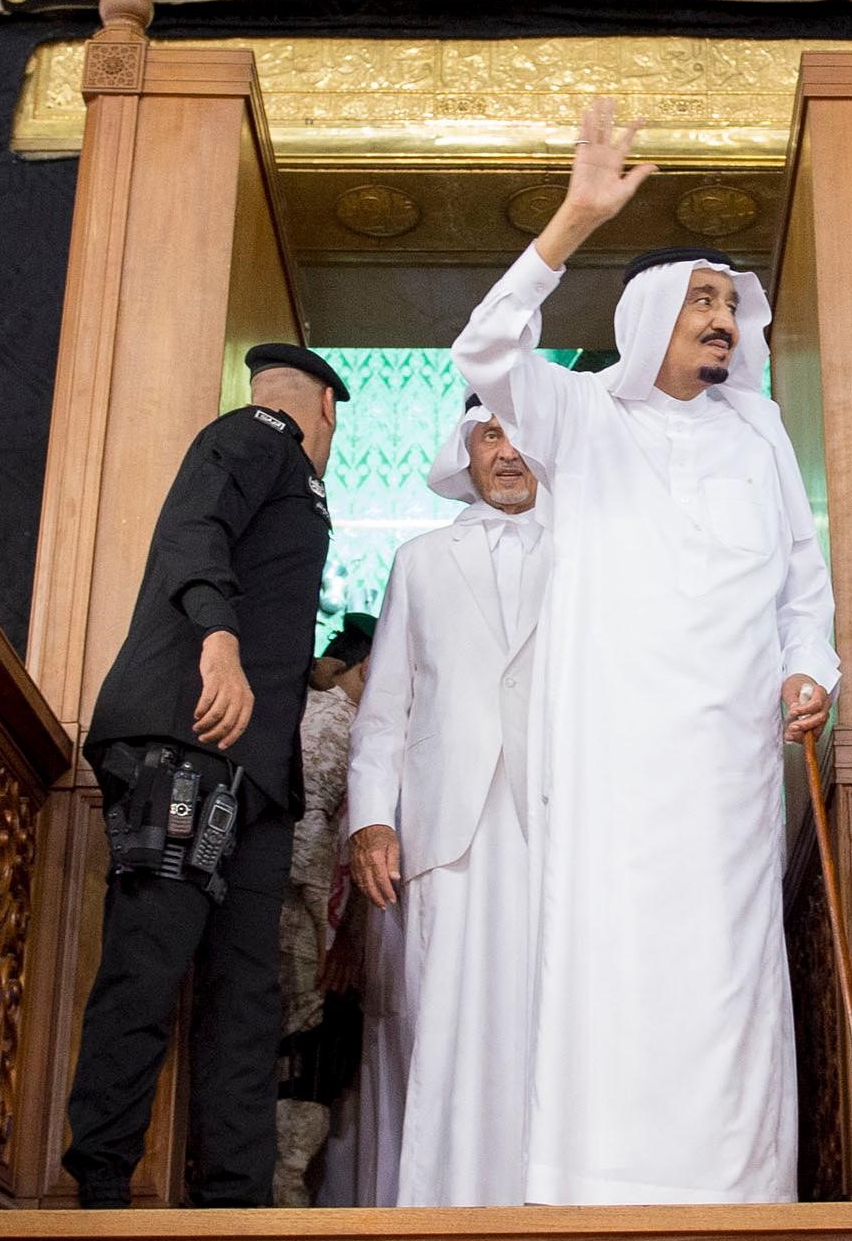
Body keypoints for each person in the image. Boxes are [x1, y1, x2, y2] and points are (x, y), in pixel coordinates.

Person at [453, 98, 837, 1205]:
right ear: (649, 316)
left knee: (723, 977)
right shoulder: (579, 417)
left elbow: (799, 594)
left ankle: (737, 1196)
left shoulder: (758, 434)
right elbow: (482, 348)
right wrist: (572, 219)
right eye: (701, 301)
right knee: (616, 972)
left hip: (723, 765)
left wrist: (810, 667)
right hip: (615, 762)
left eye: (729, 303)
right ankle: (598, 1194)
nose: (721, 320)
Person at [62, 342, 348, 1210]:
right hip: (188, 737)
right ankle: (100, 1187)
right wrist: (217, 640)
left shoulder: (293, 478)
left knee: (247, 993)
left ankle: (236, 1201)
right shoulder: (258, 433)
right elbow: (196, 526)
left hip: (253, 771)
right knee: (150, 957)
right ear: (326, 410)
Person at [345, 399, 548, 1205]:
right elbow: (383, 706)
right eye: (490, 434)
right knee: (443, 1028)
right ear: (464, 451)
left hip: (554, 821)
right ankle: (438, 1208)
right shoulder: (420, 561)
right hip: (443, 828)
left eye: (521, 433)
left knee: (545, 1025)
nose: (507, 452)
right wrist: (370, 818)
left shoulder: (588, 552)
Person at [274, 614, 375, 1206]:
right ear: (368, 669)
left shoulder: (323, 713)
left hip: (306, 911)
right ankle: (281, 1197)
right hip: (299, 916)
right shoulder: (333, 722)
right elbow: (306, 838)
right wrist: (335, 934)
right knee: (301, 1056)